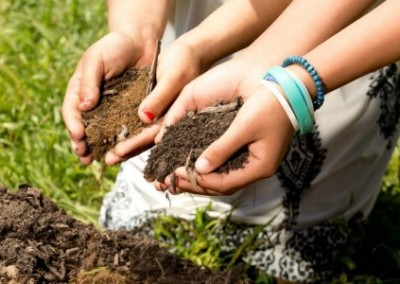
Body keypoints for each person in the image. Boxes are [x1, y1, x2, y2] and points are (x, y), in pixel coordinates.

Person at [62, 0, 400, 282]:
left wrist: (291, 88)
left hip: (346, 47)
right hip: (202, 32)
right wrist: (140, 31)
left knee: (295, 247)